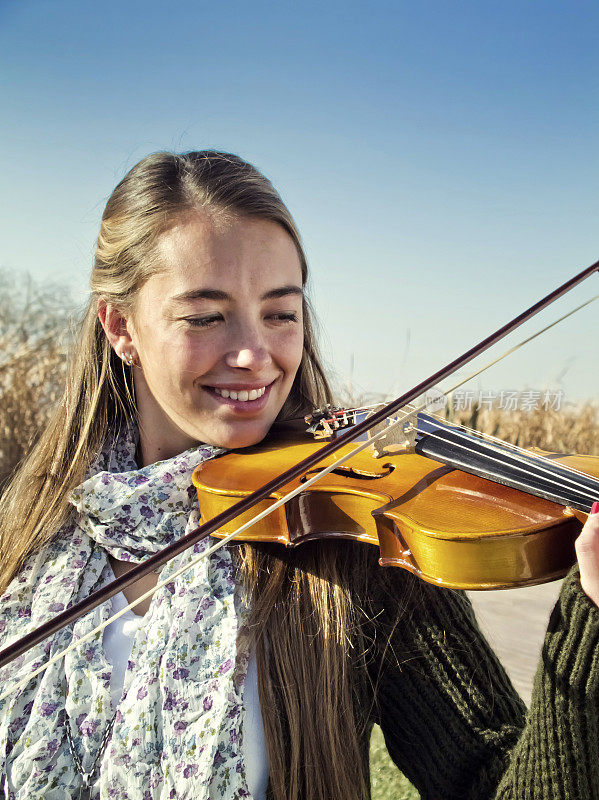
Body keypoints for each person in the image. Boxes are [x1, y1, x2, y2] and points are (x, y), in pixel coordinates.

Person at [0, 150, 598, 800]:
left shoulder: (358, 542)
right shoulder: (29, 538)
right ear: (120, 326)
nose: (255, 356)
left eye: (280, 313)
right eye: (204, 316)